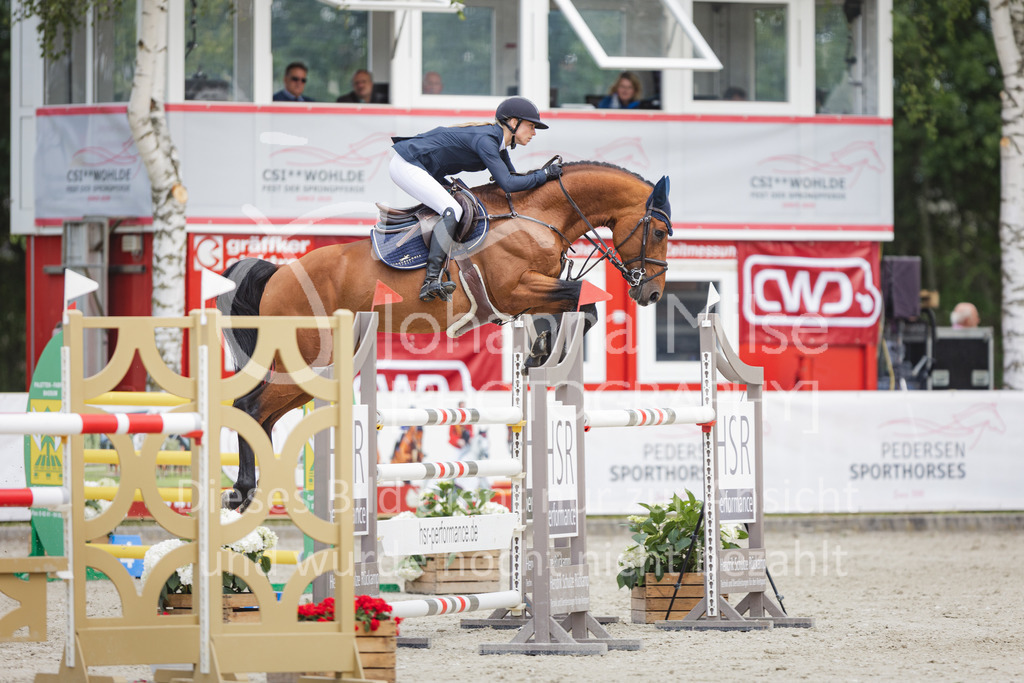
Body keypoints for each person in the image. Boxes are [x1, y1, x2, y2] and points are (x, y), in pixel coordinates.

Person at [389, 96, 560, 302]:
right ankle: (431, 280)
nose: (533, 133)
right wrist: (544, 175)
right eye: (531, 126)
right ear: (513, 123)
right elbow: (508, 184)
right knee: (453, 209)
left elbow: (513, 182)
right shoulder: (487, 141)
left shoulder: (498, 144)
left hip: (424, 168)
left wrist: (546, 178)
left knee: (458, 206)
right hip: (407, 164)